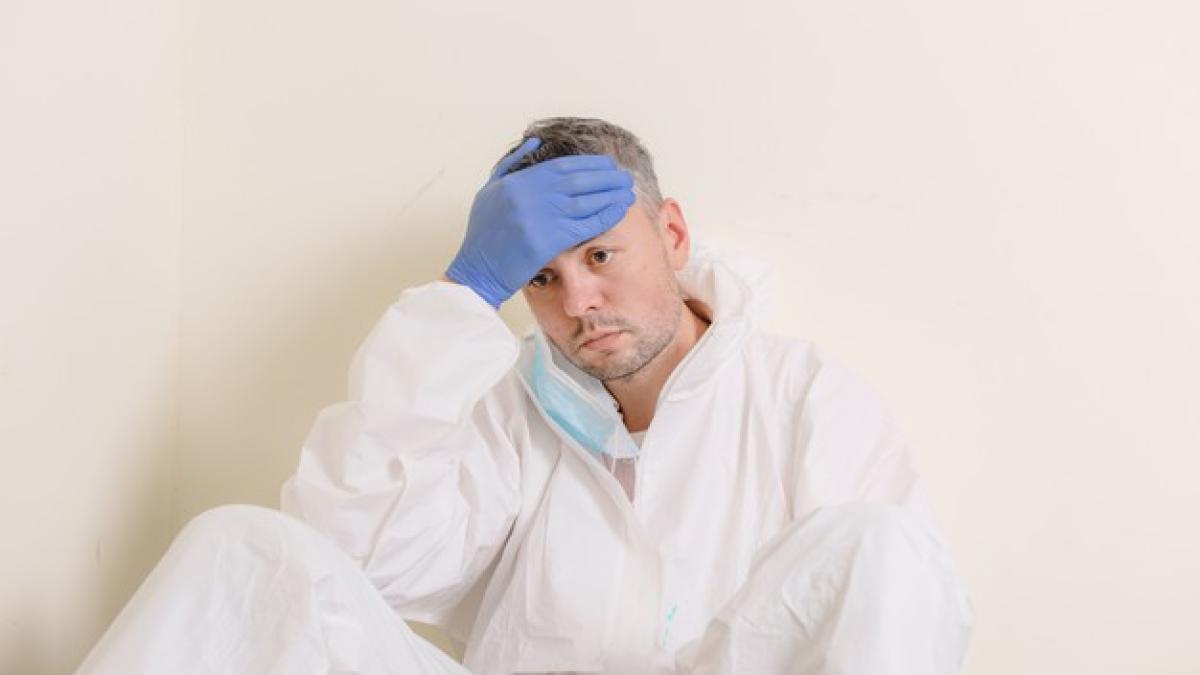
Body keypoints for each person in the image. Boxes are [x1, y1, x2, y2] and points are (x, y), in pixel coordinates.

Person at [77, 117, 974, 675]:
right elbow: (351, 560)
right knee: (243, 548)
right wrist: (462, 296)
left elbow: (898, 623)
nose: (578, 302)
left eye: (601, 255)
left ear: (671, 234)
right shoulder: (501, 409)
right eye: (540, 276)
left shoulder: (805, 399)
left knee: (882, 545)